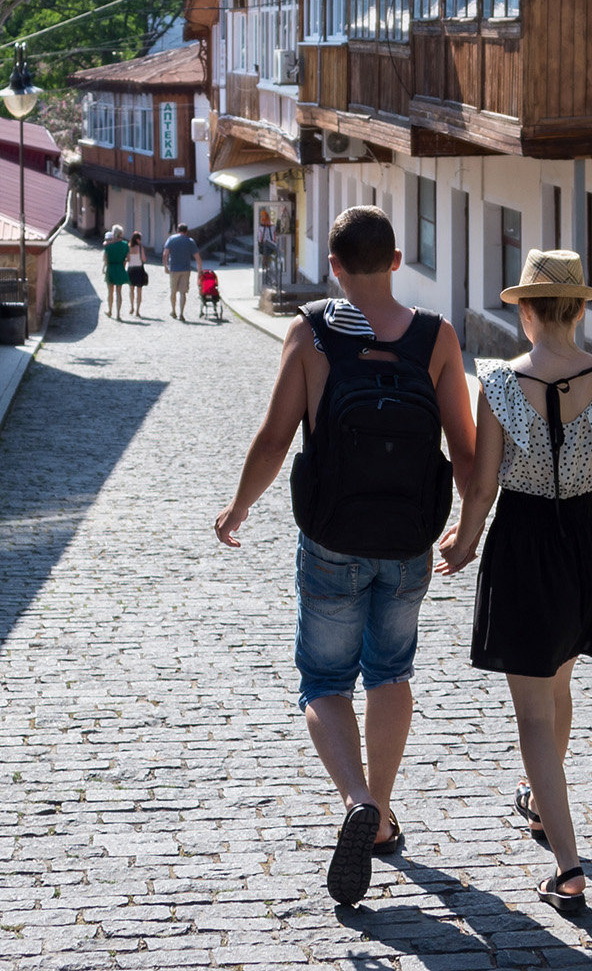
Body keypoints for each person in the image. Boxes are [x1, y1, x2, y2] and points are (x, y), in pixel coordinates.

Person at [214, 205, 475, 908]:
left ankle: (358, 800)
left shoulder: (313, 334)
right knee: (391, 671)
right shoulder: (435, 337)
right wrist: (470, 529)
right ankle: (382, 817)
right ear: (396, 261)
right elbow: (467, 447)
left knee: (325, 680)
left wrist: (239, 508)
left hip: (332, 536)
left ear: (333, 266)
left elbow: (274, 438)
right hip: (408, 540)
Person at [437, 250, 592, 917]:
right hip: (588, 538)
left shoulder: (501, 383)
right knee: (557, 686)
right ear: (582, 309)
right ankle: (540, 802)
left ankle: (567, 869)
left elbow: (482, 484)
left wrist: (464, 543)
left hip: (525, 541)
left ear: (526, 311)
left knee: (533, 710)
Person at [163, 223, 201, 320]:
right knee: (183, 293)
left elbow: (165, 254)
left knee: (173, 291)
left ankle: (173, 311)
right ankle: (181, 313)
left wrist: (166, 266)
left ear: (177, 230)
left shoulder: (171, 239)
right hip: (186, 269)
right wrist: (200, 270)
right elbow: (197, 257)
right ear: (186, 231)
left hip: (174, 269)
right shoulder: (190, 241)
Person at [103, 223, 132, 320]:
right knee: (119, 292)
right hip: (120, 268)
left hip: (111, 268)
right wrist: (123, 262)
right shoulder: (125, 245)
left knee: (110, 292)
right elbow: (128, 258)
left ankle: (110, 311)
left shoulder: (108, 246)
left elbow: (105, 259)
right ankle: (118, 314)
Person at [126, 228, 151, 318]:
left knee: (131, 290)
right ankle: (137, 310)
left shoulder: (128, 247)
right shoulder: (140, 247)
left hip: (130, 269)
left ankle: (132, 307)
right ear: (137, 239)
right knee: (139, 291)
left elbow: (127, 259)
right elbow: (144, 259)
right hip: (139, 269)